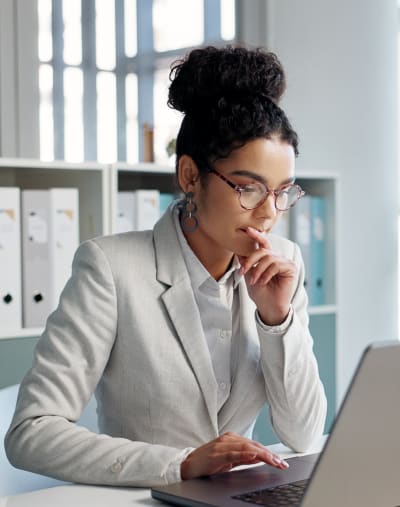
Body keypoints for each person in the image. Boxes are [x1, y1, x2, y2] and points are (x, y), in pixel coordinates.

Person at [5, 45, 326, 487]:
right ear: (191, 176)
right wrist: (180, 464)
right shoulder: (111, 268)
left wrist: (276, 318)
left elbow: (304, 432)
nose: (269, 213)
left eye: (282, 192)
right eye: (249, 189)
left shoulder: (283, 262)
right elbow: (31, 433)